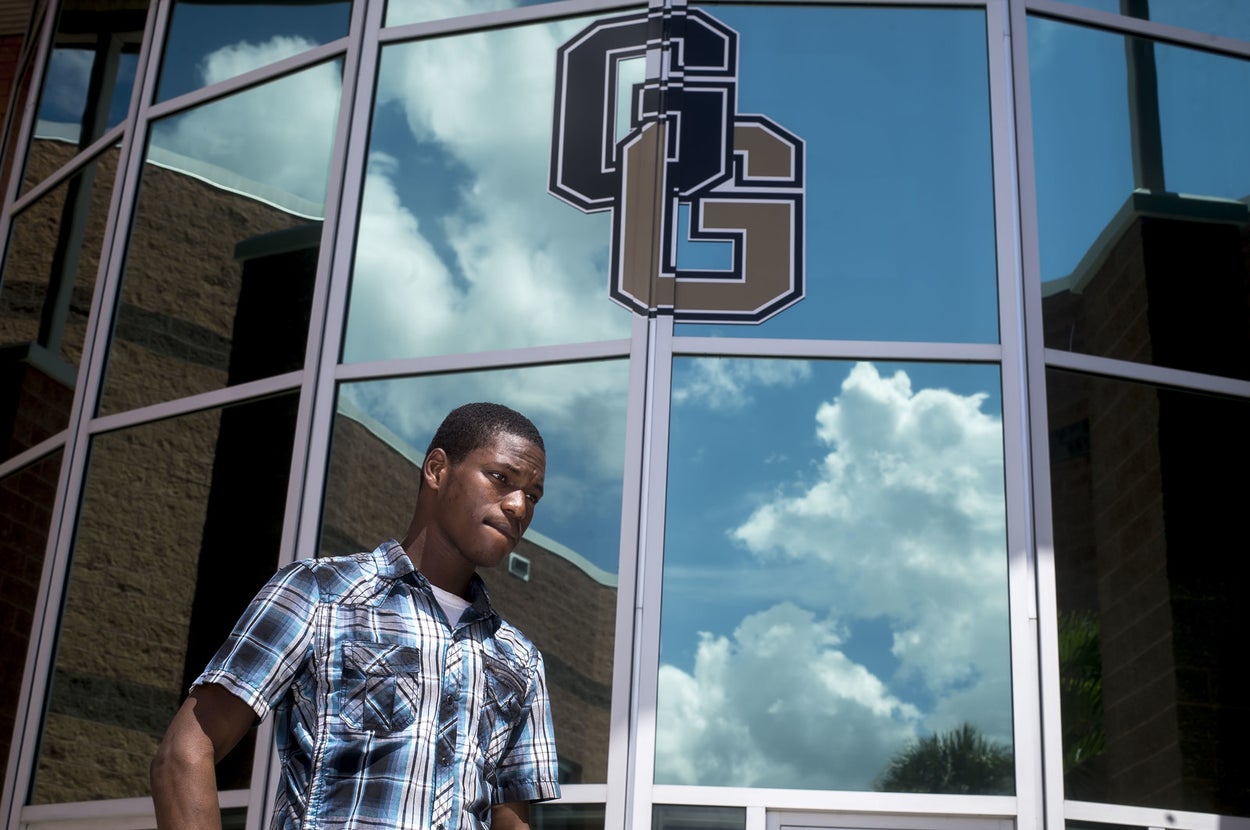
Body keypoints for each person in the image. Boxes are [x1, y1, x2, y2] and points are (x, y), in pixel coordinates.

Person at [151, 402, 560, 830]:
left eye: (532, 495)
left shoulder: (519, 659)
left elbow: (512, 822)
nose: (519, 506)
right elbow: (183, 754)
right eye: (501, 478)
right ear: (437, 470)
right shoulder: (319, 592)